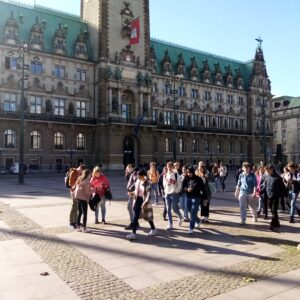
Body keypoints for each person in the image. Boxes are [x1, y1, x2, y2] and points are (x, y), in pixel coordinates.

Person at [126, 169, 157, 240]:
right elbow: (136, 191)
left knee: (147, 216)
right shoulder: (138, 181)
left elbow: (148, 194)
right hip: (137, 200)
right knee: (135, 216)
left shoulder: (148, 182)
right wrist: (131, 193)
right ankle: (133, 233)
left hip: (144, 200)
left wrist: (145, 202)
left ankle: (153, 229)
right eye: (138, 176)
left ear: (143, 176)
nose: (138, 178)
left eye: (139, 176)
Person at [182, 166, 207, 234]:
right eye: (187, 172)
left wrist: (205, 198)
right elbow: (183, 187)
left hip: (196, 197)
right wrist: (187, 189)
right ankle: (198, 220)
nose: (189, 174)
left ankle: (191, 227)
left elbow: (203, 189)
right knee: (190, 210)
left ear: (193, 172)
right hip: (188, 196)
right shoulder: (186, 178)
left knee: (193, 212)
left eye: (190, 172)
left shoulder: (198, 179)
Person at [261, 164, 286, 230]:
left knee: (274, 210)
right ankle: (277, 222)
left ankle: (272, 224)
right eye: (266, 170)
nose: (266, 172)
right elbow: (264, 186)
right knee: (272, 210)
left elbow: (283, 188)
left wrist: (285, 196)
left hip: (276, 196)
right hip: (269, 196)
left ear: (271, 169)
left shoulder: (278, 178)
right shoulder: (267, 177)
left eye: (267, 170)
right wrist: (260, 192)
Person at [163, 162, 183, 230]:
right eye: (167, 166)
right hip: (167, 194)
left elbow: (180, 185)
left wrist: (176, 191)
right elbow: (164, 183)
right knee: (168, 209)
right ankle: (170, 223)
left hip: (174, 193)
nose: (169, 168)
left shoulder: (176, 175)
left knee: (175, 209)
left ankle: (180, 216)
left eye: (170, 166)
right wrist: (165, 190)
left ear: (172, 167)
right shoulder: (165, 175)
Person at [68, 164, 86, 229]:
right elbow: (70, 183)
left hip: (78, 192)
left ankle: (75, 221)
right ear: (80, 168)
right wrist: (77, 183)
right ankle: (71, 222)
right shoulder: (73, 172)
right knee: (74, 206)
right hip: (73, 192)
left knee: (78, 207)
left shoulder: (80, 173)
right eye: (81, 171)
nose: (82, 173)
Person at [125, 165, 139, 230]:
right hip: (131, 192)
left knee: (130, 207)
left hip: (133, 192)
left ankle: (133, 223)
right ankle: (134, 222)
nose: (128, 169)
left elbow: (136, 182)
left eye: (129, 168)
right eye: (127, 169)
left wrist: (130, 189)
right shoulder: (130, 174)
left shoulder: (134, 173)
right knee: (131, 207)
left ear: (132, 167)